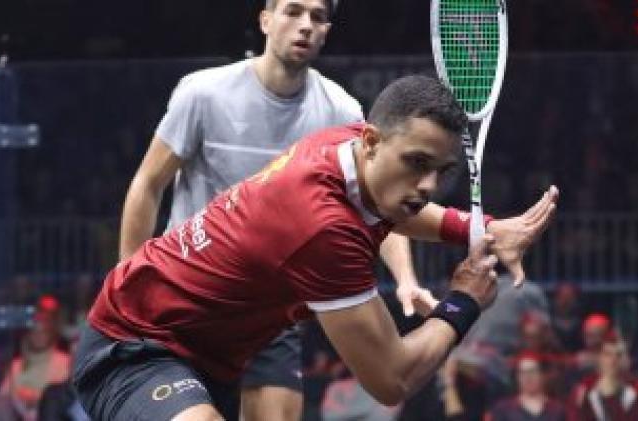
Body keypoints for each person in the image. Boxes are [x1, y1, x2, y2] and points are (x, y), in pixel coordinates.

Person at [74, 75, 559, 420]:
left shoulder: (343, 146)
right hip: (134, 344)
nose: (429, 186)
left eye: (441, 170)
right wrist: (463, 302)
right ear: (372, 141)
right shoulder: (323, 230)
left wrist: (484, 229)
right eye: (416, 163)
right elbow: (391, 379)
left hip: (210, 356)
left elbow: (404, 206)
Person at [117, 1, 436, 419]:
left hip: (271, 308)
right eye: (293, 12)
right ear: (265, 20)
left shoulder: (340, 111)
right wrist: (129, 277)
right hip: (192, 297)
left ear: (326, 31)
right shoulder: (203, 93)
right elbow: (148, 183)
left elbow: (374, 206)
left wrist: (406, 279)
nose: (306, 26)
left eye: (318, 17)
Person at [487, 352, 567, 421]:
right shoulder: (503, 409)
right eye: (523, 373)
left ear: (542, 375)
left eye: (533, 372)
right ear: (517, 377)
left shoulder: (557, 410)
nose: (528, 377)